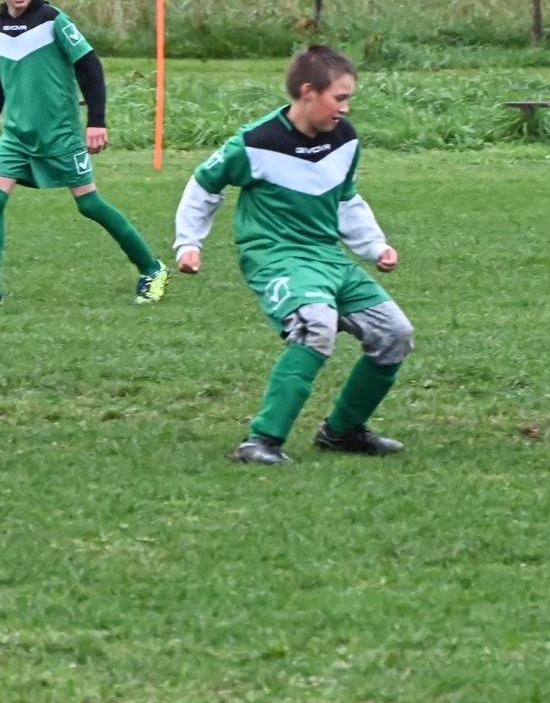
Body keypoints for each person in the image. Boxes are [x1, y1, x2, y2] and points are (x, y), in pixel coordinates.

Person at [174, 45, 414, 464]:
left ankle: (343, 431)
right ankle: (261, 442)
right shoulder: (255, 142)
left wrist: (374, 245)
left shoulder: (345, 138)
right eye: (339, 98)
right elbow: (204, 186)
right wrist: (189, 243)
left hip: (327, 257)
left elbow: (346, 199)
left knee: (394, 333)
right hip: (276, 257)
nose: (345, 107)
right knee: (315, 326)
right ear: (308, 92)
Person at [0, 0, 168, 308]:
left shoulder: (53, 20)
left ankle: (152, 268)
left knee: (89, 204)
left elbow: (90, 67)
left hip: (60, 133)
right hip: (17, 135)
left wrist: (96, 121)